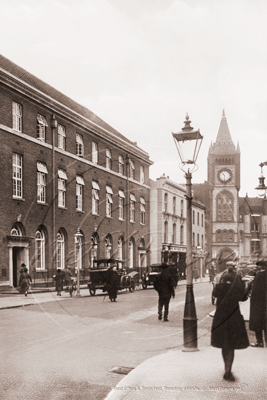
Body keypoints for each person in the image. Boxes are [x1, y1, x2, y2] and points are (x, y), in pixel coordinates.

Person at [211, 266, 249, 381]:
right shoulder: (237, 287)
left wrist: (219, 282)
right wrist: (245, 285)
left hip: (220, 318)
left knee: (224, 344)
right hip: (234, 318)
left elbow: (214, 294)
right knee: (231, 345)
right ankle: (228, 371)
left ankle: (226, 368)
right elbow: (244, 298)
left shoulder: (219, 287)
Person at [249, 260, 267, 347]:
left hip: (259, 304)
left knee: (258, 323)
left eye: (258, 266)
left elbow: (255, 291)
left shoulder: (259, 276)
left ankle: (259, 342)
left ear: (261, 267)